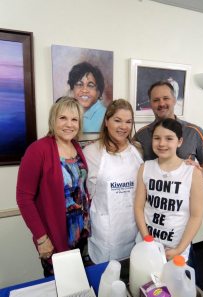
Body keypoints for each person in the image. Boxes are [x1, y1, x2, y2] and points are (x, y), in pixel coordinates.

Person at [16, 97, 91, 277]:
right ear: (53, 120)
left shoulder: (75, 146)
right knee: (59, 287)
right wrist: (42, 239)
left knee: (78, 284)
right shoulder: (38, 150)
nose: (69, 124)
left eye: (74, 119)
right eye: (63, 118)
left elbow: (80, 188)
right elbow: (24, 197)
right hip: (55, 237)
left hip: (80, 234)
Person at [134, 118, 203, 262]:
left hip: (176, 248)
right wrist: (147, 238)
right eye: (157, 138)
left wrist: (179, 249)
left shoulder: (192, 172)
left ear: (179, 142)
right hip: (147, 243)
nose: (162, 143)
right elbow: (139, 207)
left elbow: (196, 216)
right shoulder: (145, 168)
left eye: (169, 138)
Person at [83, 99, 143, 264]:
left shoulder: (138, 150)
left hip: (132, 225)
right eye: (117, 120)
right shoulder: (90, 152)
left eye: (128, 122)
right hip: (104, 229)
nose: (123, 126)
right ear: (106, 121)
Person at [134, 80, 203, 178]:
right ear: (150, 103)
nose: (161, 103)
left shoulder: (194, 132)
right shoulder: (140, 135)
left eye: (166, 98)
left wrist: (196, 177)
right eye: (156, 100)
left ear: (174, 100)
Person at [67, 61, 106, 133]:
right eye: (79, 84)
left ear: (99, 92)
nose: (84, 90)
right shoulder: (68, 112)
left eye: (90, 85)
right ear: (72, 89)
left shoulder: (105, 116)